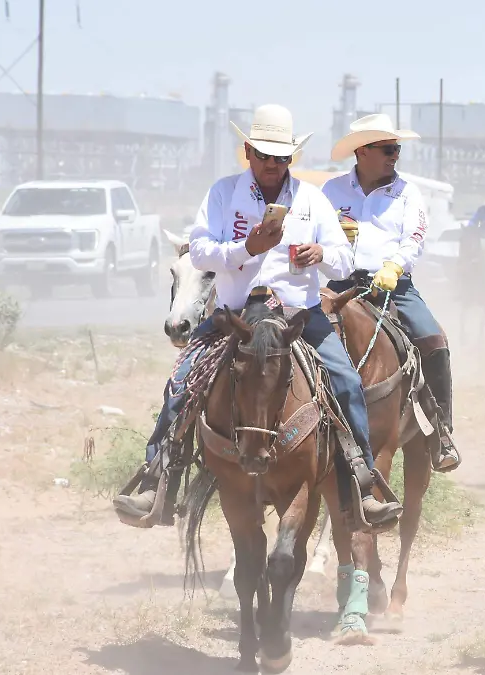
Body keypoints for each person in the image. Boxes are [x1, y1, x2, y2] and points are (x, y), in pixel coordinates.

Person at [113, 104, 403, 529]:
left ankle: (361, 484)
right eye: (265, 156)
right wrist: (246, 249)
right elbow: (198, 251)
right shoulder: (221, 194)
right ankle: (156, 480)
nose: (273, 165)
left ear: (291, 159)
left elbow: (344, 261)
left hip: (297, 315)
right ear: (247, 152)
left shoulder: (311, 200)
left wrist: (322, 254)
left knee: (345, 382)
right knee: (181, 383)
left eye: (281, 157)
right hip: (234, 315)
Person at [322, 113, 460, 472]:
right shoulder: (331, 191)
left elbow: (415, 238)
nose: (394, 155)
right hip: (338, 285)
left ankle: (441, 431)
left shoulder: (407, 193)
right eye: (387, 149)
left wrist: (394, 266)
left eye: (396, 149)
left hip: (392, 287)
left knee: (433, 340)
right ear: (362, 151)